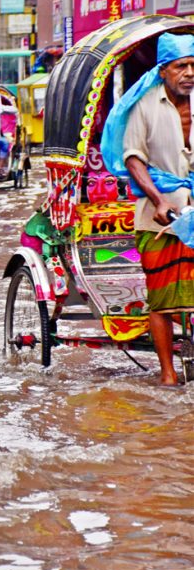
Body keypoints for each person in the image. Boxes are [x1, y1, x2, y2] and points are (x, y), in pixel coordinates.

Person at [101, 32, 194, 386]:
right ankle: (168, 373)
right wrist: (158, 200)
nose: (188, 72)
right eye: (180, 66)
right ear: (163, 70)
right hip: (159, 214)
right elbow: (134, 159)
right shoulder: (145, 106)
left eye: (193, 65)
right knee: (162, 297)